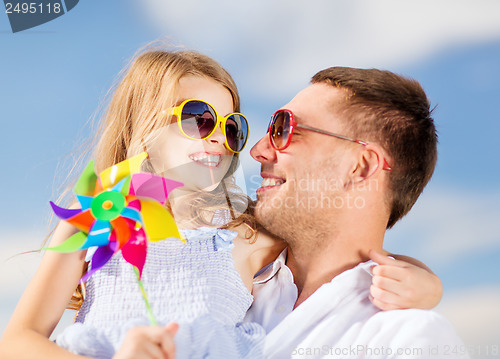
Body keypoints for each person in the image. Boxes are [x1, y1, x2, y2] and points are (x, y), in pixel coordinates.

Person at [0, 49, 443, 359]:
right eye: (199, 119)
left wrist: (425, 282)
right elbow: (18, 342)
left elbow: (344, 247)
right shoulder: (91, 219)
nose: (220, 140)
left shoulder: (242, 229)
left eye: (231, 128)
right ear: (142, 123)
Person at [245, 67, 469, 358]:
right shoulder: (220, 276)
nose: (258, 149)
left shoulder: (406, 340)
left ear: (360, 166)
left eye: (283, 128)